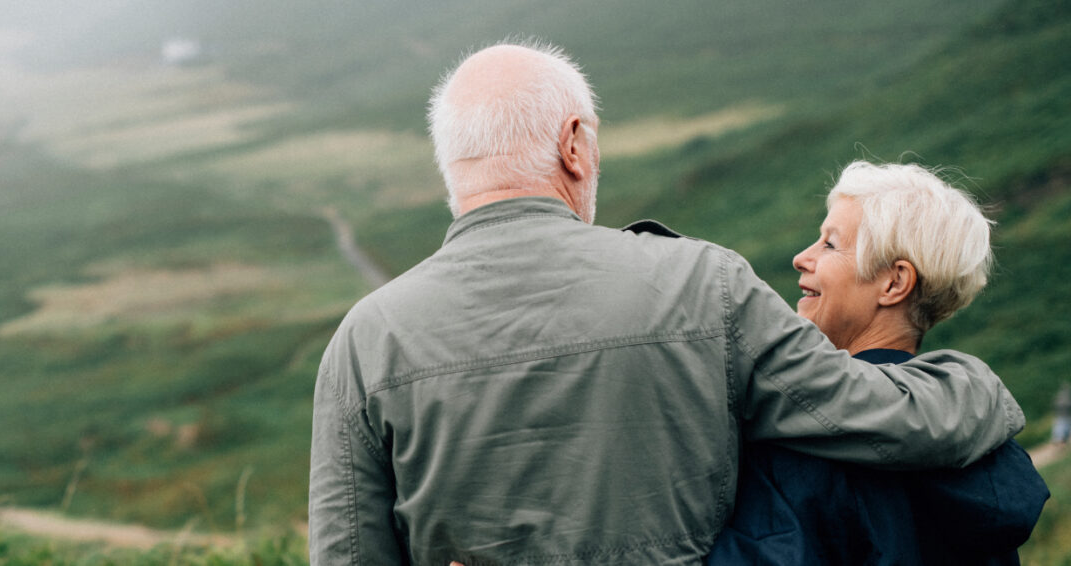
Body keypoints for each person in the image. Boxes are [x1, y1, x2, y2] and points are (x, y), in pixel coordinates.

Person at [307, 42, 1024, 565]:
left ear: (451, 166)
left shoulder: (363, 342)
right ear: (575, 145)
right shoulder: (703, 286)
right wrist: (979, 385)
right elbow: (881, 415)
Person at [707, 162, 1049, 565]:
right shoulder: (986, 447)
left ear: (894, 283)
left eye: (830, 245)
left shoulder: (801, 441)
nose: (802, 258)